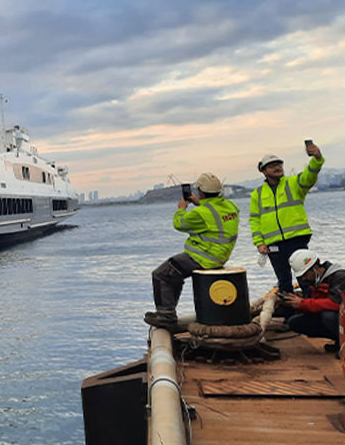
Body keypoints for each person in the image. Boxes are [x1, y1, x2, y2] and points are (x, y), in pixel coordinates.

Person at [145, 173, 240, 328]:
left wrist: (181, 209)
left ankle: (166, 315)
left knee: (162, 274)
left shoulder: (199, 213)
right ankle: (167, 312)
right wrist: (200, 203)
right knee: (175, 271)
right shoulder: (230, 206)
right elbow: (214, 214)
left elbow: (179, 224)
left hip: (204, 257)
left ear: (200, 192)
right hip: (221, 255)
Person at [250, 142, 324, 293]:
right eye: (272, 166)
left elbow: (310, 175)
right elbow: (255, 220)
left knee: (305, 278)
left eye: (279, 164)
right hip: (273, 244)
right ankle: (291, 312)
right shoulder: (257, 194)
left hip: (296, 240)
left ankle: (311, 308)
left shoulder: (294, 184)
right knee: (283, 280)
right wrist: (259, 243)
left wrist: (317, 158)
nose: (277, 168)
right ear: (263, 171)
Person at [279, 249, 345, 353]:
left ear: (314, 268)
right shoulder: (315, 282)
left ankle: (342, 342)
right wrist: (296, 305)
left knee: (328, 316)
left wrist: (303, 303)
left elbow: (337, 304)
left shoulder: (340, 277)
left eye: (305, 275)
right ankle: (339, 341)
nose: (304, 279)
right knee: (296, 322)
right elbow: (315, 305)